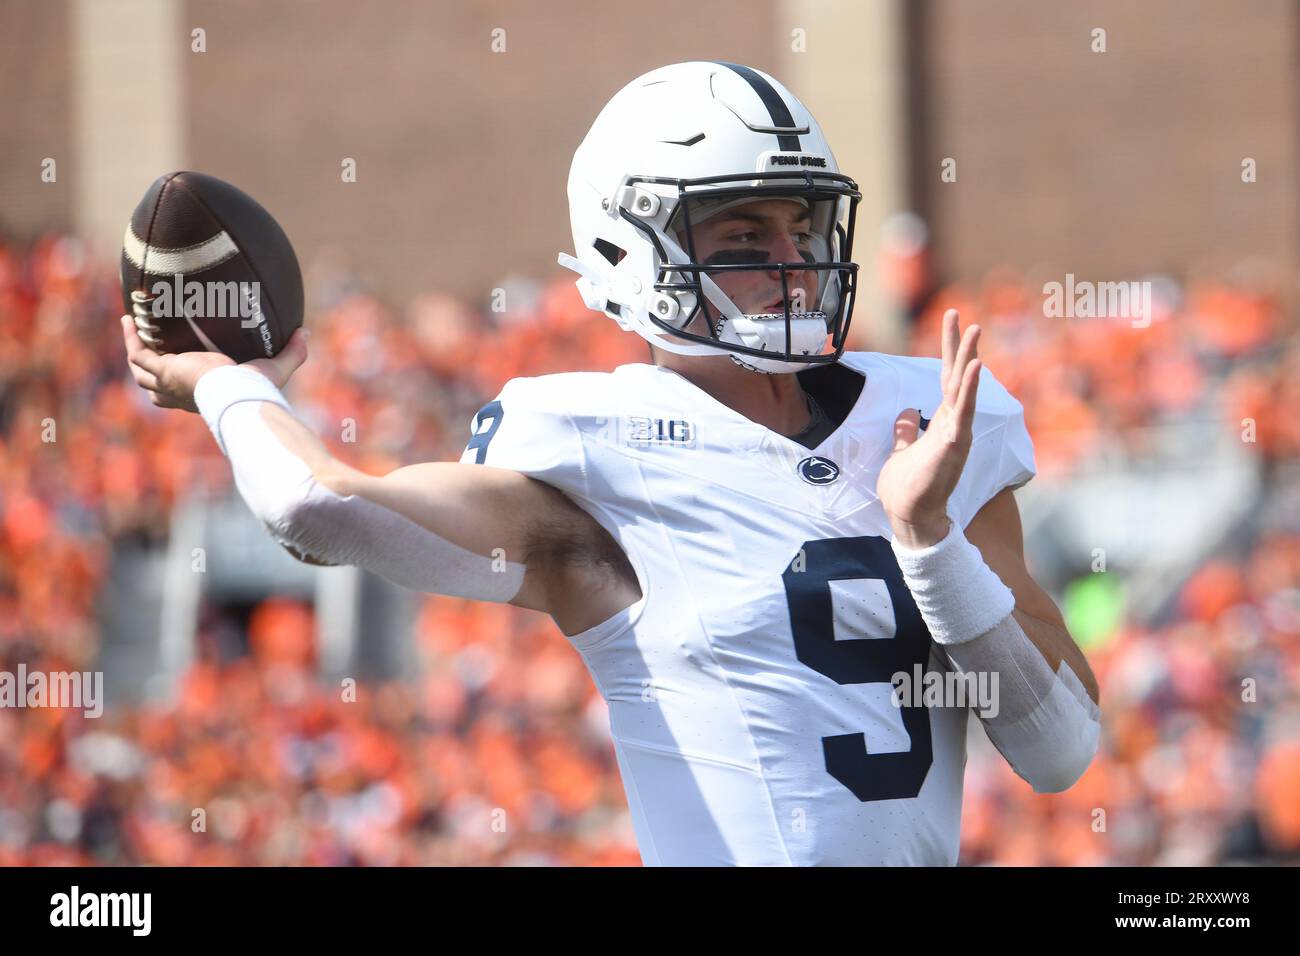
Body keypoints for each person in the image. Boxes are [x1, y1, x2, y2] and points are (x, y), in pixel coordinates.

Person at [122, 61, 1100, 866]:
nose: (794, 263)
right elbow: (309, 505)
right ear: (628, 251)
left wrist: (930, 546)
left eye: (801, 226)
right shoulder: (601, 447)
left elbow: (1058, 752)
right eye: (743, 234)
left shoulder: (922, 418)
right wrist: (222, 381)